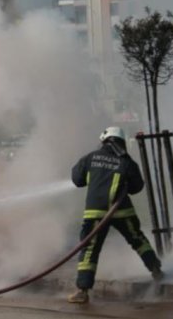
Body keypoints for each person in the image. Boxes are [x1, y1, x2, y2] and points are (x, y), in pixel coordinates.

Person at [68, 126, 163, 304]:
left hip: (95, 213)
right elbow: (137, 187)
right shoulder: (126, 161)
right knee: (137, 239)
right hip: (122, 211)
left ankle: (82, 291)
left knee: (89, 250)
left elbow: (77, 179)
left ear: (104, 140)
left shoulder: (90, 157)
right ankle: (156, 269)